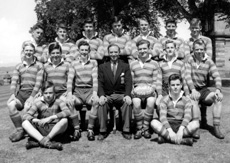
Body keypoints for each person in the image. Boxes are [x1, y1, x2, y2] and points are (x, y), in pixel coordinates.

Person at [185, 39, 225, 139]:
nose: (199, 51)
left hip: (203, 89)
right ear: (193, 49)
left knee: (218, 98)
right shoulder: (189, 59)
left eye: (201, 49)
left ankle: (216, 128)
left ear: (204, 49)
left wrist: (218, 90)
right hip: (191, 89)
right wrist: (193, 89)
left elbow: (217, 76)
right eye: (197, 49)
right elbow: (187, 76)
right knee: (194, 101)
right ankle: (196, 127)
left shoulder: (209, 61)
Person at [7, 41, 44, 142]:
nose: (29, 52)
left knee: (27, 109)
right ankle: (20, 130)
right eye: (27, 50)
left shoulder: (39, 65)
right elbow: (14, 81)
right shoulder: (18, 66)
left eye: (31, 50)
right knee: (11, 105)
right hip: (21, 94)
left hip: (34, 93)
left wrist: (32, 96)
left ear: (34, 52)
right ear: (23, 51)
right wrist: (12, 94)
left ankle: (30, 130)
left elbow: (39, 82)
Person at [151, 74, 199, 146]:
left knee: (195, 124)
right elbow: (163, 117)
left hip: (181, 125)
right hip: (168, 124)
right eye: (173, 85)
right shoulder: (164, 99)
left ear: (181, 85)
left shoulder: (186, 100)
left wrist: (181, 130)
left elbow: (187, 116)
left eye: (177, 84)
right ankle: (182, 140)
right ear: (169, 86)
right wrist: (170, 131)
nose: (175, 87)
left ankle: (165, 138)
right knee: (154, 122)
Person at [97, 44, 132, 140]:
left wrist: (127, 95)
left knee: (127, 102)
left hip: (121, 94)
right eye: (111, 52)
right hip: (108, 94)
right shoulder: (102, 67)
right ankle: (103, 130)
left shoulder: (125, 66)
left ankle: (126, 129)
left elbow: (129, 82)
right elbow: (100, 83)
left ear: (119, 53)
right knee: (102, 103)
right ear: (108, 54)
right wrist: (101, 95)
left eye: (115, 52)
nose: (113, 54)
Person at [22, 81, 70, 150]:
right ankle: (47, 143)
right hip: (42, 128)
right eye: (46, 93)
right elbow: (25, 116)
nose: (48, 95)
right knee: (25, 123)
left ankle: (43, 141)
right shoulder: (38, 103)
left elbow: (67, 112)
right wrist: (36, 120)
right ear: (42, 93)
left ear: (54, 93)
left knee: (65, 120)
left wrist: (51, 117)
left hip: (55, 130)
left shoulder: (59, 101)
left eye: (50, 93)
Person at [67, 41, 99, 141]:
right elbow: (70, 79)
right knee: (70, 102)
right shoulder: (74, 63)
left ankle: (90, 129)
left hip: (89, 91)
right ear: (78, 51)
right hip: (78, 92)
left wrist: (94, 93)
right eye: (82, 50)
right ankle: (77, 129)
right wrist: (69, 94)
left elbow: (95, 79)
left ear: (89, 51)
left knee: (96, 102)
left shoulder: (93, 62)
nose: (84, 52)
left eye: (86, 50)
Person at [184, 18, 213, 129]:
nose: (194, 30)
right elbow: (187, 57)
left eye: (196, 28)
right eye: (192, 28)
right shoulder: (187, 42)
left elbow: (208, 55)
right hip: (191, 71)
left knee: (203, 91)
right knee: (193, 95)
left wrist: (195, 52)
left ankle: (204, 119)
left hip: (203, 71)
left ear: (200, 28)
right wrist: (199, 53)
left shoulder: (207, 40)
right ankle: (193, 120)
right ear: (190, 28)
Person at [130, 40, 161, 139]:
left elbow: (156, 80)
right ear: (137, 50)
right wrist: (132, 90)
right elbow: (130, 80)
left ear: (149, 49)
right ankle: (139, 128)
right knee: (136, 102)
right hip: (137, 91)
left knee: (151, 102)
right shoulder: (133, 64)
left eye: (145, 48)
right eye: (140, 49)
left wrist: (153, 88)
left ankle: (146, 128)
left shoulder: (155, 64)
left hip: (150, 91)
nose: (142, 51)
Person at [156, 40, 191, 107]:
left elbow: (184, 80)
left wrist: (187, 95)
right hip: (165, 91)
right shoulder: (160, 64)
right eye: (168, 48)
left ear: (175, 49)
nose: (170, 50)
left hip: (177, 91)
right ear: (165, 50)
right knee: (160, 106)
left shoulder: (180, 63)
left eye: (172, 48)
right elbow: (158, 82)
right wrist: (160, 95)